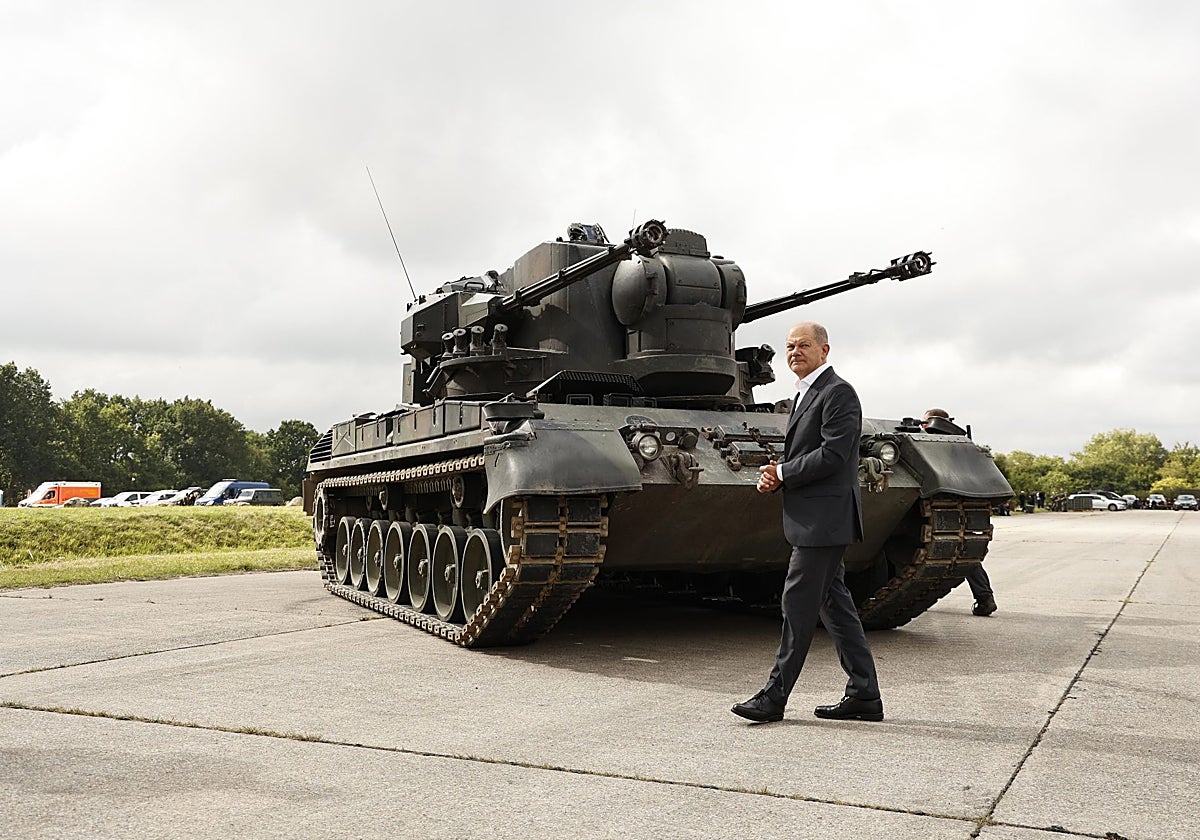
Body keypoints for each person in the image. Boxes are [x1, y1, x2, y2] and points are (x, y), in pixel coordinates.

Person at [731, 321, 883, 724]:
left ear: (824, 350)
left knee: (797, 605)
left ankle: (774, 697)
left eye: (803, 345)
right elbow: (810, 455)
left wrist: (783, 473)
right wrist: (778, 474)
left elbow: (834, 455)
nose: (794, 352)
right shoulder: (806, 395)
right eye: (789, 346)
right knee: (836, 607)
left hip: (825, 521)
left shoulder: (838, 393)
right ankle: (864, 695)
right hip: (815, 518)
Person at [922, 407, 998, 617]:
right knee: (963, 555)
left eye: (926, 422)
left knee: (958, 554)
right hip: (957, 508)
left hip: (940, 506)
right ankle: (984, 596)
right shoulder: (963, 444)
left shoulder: (931, 443)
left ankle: (983, 596)